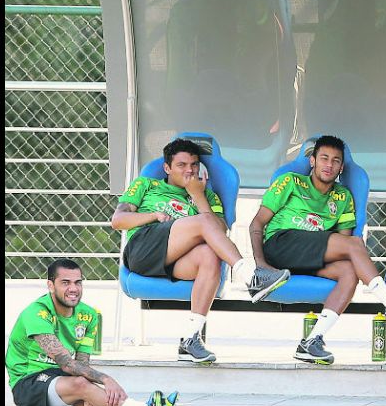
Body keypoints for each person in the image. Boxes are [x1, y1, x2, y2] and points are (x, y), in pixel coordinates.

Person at [249, 135, 386, 364]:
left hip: (309, 253)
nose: (329, 165)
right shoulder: (291, 182)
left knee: (348, 271)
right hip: (281, 244)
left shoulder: (343, 197)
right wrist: (261, 265)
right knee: (354, 245)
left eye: (336, 161)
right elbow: (256, 223)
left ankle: (312, 341)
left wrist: (351, 256)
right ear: (312, 161)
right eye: (324, 158)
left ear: (341, 167)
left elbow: (343, 245)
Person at [111, 138, 290, 363]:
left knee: (209, 255)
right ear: (167, 168)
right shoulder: (147, 184)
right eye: (182, 165)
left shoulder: (206, 196)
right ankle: (251, 277)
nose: (189, 170)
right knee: (204, 221)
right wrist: (153, 216)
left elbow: (219, 230)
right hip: (143, 248)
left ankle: (191, 338)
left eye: (194, 165)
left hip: (172, 259)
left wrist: (197, 196)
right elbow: (118, 220)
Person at [5, 259, 178, 406]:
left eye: (78, 282)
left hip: (61, 379)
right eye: (65, 283)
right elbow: (65, 363)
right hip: (28, 383)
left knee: (95, 404)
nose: (73, 288)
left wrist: (90, 389)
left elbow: (81, 362)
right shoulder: (36, 313)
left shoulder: (88, 315)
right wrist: (105, 379)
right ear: (51, 285)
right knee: (80, 384)